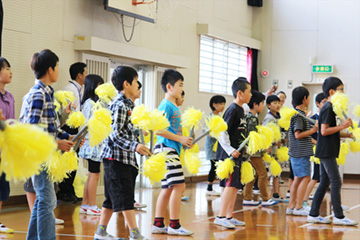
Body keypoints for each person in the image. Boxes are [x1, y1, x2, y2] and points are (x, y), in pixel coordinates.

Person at [20, 49, 74, 240]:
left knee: (44, 200)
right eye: (58, 67)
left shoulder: (46, 94)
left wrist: (67, 137)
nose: (59, 71)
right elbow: (33, 129)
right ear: (50, 70)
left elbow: (50, 127)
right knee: (47, 200)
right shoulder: (38, 94)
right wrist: (56, 143)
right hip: (39, 155)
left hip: (45, 154)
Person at [95, 66, 151, 239]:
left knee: (112, 198)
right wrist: (134, 145)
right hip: (115, 159)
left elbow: (124, 130)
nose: (137, 86)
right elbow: (114, 134)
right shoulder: (119, 105)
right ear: (126, 84)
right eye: (135, 82)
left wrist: (138, 133)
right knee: (126, 197)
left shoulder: (129, 105)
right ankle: (135, 234)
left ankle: (101, 232)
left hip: (122, 159)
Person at [307, 76, 358, 226]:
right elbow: (323, 131)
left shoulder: (333, 108)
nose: (343, 93)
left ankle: (313, 214)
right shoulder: (328, 108)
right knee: (336, 181)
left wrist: (347, 134)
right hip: (326, 151)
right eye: (341, 90)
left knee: (324, 182)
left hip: (327, 150)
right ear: (331, 91)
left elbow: (331, 130)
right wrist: (342, 127)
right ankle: (339, 216)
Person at [151, 70, 194, 236]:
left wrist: (183, 140)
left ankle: (158, 223)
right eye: (180, 85)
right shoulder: (166, 105)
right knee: (179, 186)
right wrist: (180, 139)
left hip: (169, 148)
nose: (182, 89)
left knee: (168, 188)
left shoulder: (173, 105)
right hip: (166, 149)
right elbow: (159, 129)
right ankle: (174, 225)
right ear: (169, 87)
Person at [213, 77, 251, 229]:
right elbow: (222, 131)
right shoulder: (233, 109)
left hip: (237, 153)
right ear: (240, 93)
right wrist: (230, 150)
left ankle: (230, 215)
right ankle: (221, 216)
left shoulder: (241, 109)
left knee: (235, 186)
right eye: (248, 92)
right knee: (229, 185)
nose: (250, 95)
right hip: (229, 155)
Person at [58, 62, 88, 203]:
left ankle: (69, 191)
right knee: (68, 161)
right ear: (79, 75)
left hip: (74, 127)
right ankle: (65, 192)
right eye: (85, 73)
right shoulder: (70, 89)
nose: (86, 76)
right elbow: (70, 112)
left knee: (73, 161)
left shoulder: (79, 89)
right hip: (68, 127)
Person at [286, 86, 318, 216]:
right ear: (305, 98)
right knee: (305, 178)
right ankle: (298, 207)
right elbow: (298, 134)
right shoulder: (298, 116)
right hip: (300, 153)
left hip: (297, 153)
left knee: (298, 179)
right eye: (309, 97)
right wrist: (313, 130)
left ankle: (291, 206)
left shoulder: (299, 115)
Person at [243, 90, 278, 206]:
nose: (263, 106)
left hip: (252, 151)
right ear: (255, 105)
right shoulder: (252, 119)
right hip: (254, 152)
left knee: (253, 175)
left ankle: (247, 198)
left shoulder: (251, 117)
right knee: (262, 174)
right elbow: (253, 137)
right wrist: (263, 149)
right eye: (262, 103)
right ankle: (265, 199)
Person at [78, 74, 104, 216]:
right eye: (99, 84)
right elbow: (92, 123)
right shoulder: (91, 103)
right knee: (94, 175)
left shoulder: (89, 102)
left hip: (92, 142)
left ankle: (85, 205)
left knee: (91, 175)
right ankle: (92, 205)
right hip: (92, 143)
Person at [303, 93, 327, 206]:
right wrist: (318, 143)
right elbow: (307, 135)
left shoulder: (327, 117)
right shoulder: (312, 119)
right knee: (315, 176)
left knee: (325, 178)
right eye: (323, 101)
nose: (326, 103)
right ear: (317, 104)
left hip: (325, 151)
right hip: (314, 152)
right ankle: (304, 200)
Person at [262, 95, 286, 202]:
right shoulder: (269, 118)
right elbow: (265, 133)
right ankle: (265, 195)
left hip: (276, 150)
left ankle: (276, 193)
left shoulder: (278, 116)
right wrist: (270, 144)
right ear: (268, 105)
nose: (277, 105)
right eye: (274, 103)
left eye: (278, 103)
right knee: (268, 173)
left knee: (276, 172)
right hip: (270, 150)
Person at [0, 57, 14, 234]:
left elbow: (10, 123)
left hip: (6, 150)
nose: (11, 72)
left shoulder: (9, 96)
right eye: (7, 68)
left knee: (3, 188)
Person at [130, 81, 147, 209]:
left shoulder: (134, 106)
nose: (139, 91)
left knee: (133, 171)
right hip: (128, 147)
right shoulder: (124, 106)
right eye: (138, 88)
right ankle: (128, 201)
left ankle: (131, 200)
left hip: (133, 146)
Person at [205, 95, 226, 196]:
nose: (223, 106)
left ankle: (214, 187)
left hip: (219, 146)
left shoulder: (220, 117)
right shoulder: (210, 117)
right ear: (214, 105)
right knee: (214, 166)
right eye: (221, 104)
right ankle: (209, 188)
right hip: (212, 147)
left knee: (216, 165)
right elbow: (206, 131)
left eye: (224, 104)